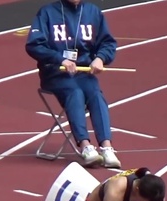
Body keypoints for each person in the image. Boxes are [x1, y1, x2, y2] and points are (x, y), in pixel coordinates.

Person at [25, 0, 121, 168]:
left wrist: (100, 58)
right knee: (74, 93)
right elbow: (34, 45)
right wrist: (60, 59)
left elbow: (108, 42)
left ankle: (106, 147)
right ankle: (85, 146)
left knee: (96, 95)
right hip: (56, 73)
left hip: (83, 72)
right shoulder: (47, 13)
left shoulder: (93, 12)